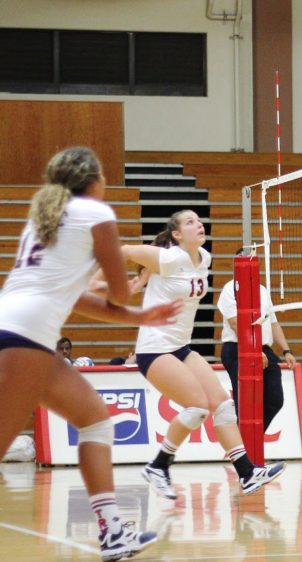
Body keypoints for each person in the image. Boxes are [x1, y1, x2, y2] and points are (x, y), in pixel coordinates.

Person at [0, 146, 182, 560]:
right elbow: (117, 291)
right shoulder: (96, 214)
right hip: (24, 336)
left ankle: (114, 532)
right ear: (96, 180)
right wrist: (126, 293)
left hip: (21, 329)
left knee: (96, 420)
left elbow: (74, 298)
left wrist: (138, 316)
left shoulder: (42, 220)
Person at [122, 210, 285, 500]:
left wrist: (144, 276)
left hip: (181, 346)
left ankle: (247, 474)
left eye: (199, 220)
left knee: (222, 404)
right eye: (189, 222)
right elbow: (127, 251)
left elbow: (158, 264)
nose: (198, 225)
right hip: (154, 348)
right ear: (176, 235)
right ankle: (158, 466)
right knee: (196, 407)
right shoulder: (171, 257)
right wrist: (119, 277)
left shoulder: (204, 259)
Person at [217, 267, 296, 431]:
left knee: (275, 400)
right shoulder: (230, 289)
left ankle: (247, 445)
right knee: (245, 403)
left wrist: (286, 350)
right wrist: (253, 350)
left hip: (263, 349)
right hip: (237, 349)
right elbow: (234, 323)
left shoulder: (262, 290)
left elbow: (273, 322)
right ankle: (243, 450)